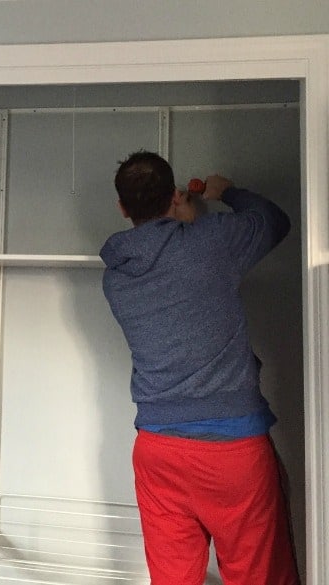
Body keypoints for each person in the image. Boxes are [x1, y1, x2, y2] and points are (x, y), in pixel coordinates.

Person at [99, 151, 300, 585]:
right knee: (257, 577)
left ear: (122, 208)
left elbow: (172, 270)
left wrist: (181, 224)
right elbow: (273, 219)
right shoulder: (212, 241)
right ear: (174, 195)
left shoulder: (115, 276)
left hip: (157, 450)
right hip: (231, 453)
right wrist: (225, 191)